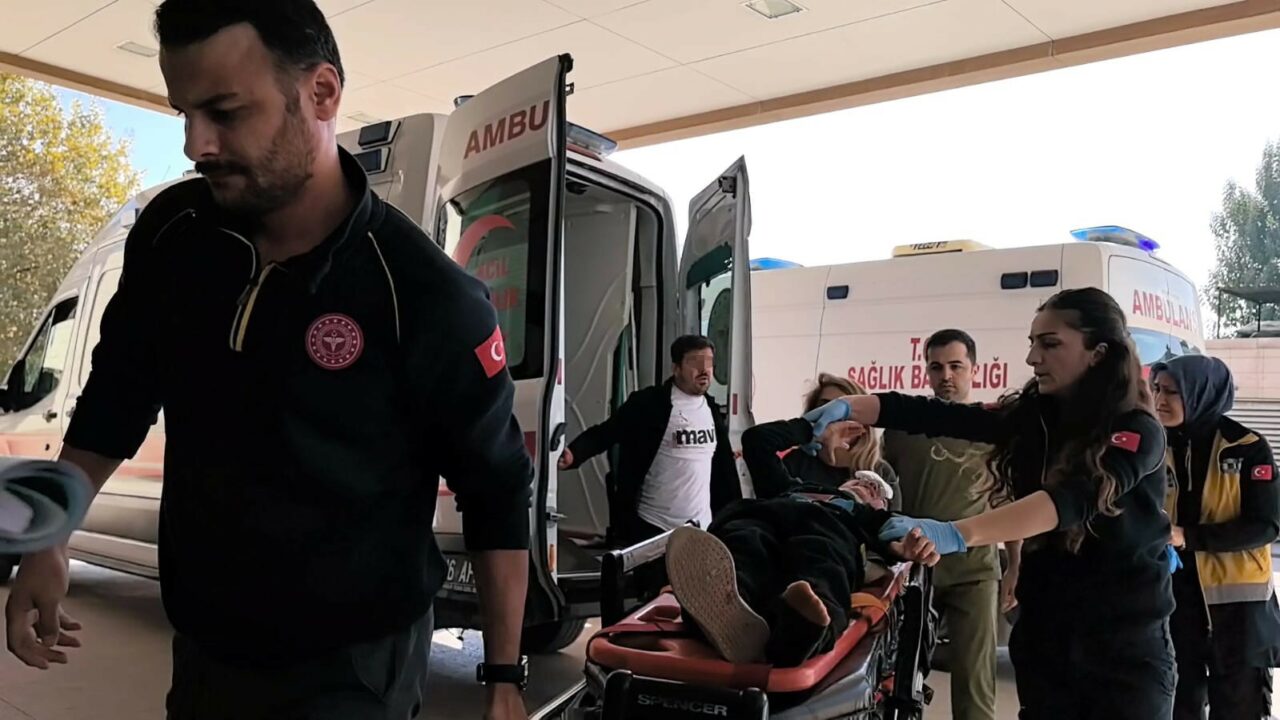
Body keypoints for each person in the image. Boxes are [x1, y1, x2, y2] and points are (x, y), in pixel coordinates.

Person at [3, 2, 535, 718]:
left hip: (354, 671)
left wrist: (502, 677)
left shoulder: (422, 293)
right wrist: (52, 534)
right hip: (206, 649)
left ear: (322, 93)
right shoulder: (174, 236)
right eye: (185, 113)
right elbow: (117, 397)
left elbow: (496, 488)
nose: (197, 144)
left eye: (224, 112)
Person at [811, 288, 1176, 720]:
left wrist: (956, 533)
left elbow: (1070, 501)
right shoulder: (1037, 418)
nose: (1033, 358)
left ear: (1098, 353)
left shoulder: (1137, 430)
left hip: (1124, 652)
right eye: (1032, 343)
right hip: (1047, 642)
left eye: (1050, 344)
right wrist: (852, 406)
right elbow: (942, 416)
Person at [881, 329, 1018, 720]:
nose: (946, 376)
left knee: (975, 687)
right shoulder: (903, 429)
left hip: (975, 571)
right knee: (899, 681)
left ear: (974, 369)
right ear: (926, 371)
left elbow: (1008, 502)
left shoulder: (993, 430)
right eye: (937, 367)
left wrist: (1016, 565)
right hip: (917, 569)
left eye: (956, 366)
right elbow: (882, 492)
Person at [664, 475, 938, 667]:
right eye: (859, 480)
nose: (866, 485)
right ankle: (729, 609)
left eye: (875, 490)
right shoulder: (796, 488)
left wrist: (903, 548)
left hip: (830, 528)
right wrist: (815, 429)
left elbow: (895, 540)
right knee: (744, 543)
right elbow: (759, 441)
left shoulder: (868, 517)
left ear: (880, 505)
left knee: (822, 561)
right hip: (764, 516)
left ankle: (801, 630)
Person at [1152, 355, 1280, 720]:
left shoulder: (1246, 446)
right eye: (1156, 389)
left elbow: (1266, 525)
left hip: (1238, 612)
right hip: (1174, 602)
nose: (1159, 399)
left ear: (1200, 393)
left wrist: (1187, 536)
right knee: (1178, 705)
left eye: (1171, 392)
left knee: (1240, 708)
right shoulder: (1153, 445)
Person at [558, 335, 740, 547]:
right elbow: (607, 432)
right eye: (695, 363)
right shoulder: (649, 404)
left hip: (701, 528)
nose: (704, 370)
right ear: (676, 368)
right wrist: (575, 453)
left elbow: (720, 466)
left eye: (708, 363)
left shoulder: (711, 410)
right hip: (654, 526)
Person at [742, 373, 901, 507]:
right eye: (824, 409)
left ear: (863, 425)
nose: (832, 419)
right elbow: (756, 440)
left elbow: (896, 526)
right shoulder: (796, 464)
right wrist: (807, 429)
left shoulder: (880, 472)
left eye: (842, 413)